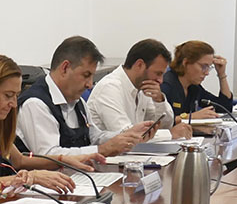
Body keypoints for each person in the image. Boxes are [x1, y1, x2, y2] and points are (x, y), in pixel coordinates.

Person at [0, 54, 99, 192]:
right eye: (8, 95)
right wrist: (31, 178)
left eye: (16, 96)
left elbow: (19, 160)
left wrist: (63, 160)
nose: (13, 104)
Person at [16, 35, 151, 159]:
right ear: (65, 68)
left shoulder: (77, 101)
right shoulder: (35, 104)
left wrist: (126, 136)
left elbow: (94, 137)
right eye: (86, 75)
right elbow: (48, 155)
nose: (90, 84)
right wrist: (102, 150)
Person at [87, 38, 195, 140]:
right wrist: (170, 134)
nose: (161, 81)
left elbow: (164, 125)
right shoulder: (109, 88)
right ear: (139, 65)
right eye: (158, 73)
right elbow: (126, 135)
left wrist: (159, 101)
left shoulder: (142, 88)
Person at [159, 40, 235, 121]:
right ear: (185, 63)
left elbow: (224, 108)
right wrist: (190, 117)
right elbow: (160, 121)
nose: (207, 73)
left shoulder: (193, 87)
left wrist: (222, 75)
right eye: (204, 66)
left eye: (209, 67)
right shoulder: (166, 85)